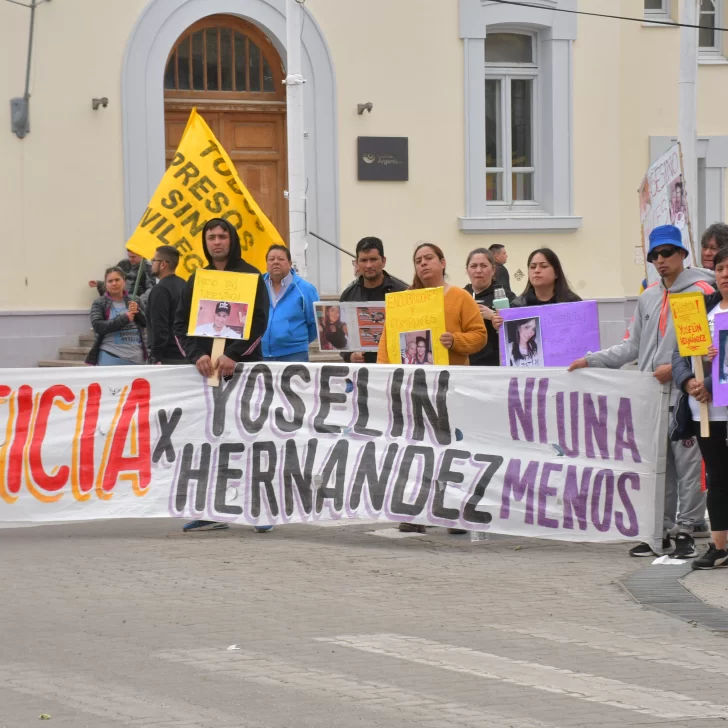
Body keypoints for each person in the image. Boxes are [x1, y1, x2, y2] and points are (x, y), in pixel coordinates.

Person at [569, 225, 713, 558]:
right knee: (658, 464)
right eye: (655, 256)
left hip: (686, 393)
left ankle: (687, 529)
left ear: (681, 254)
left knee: (689, 463)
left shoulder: (703, 290)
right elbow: (633, 345)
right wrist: (591, 360)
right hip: (651, 394)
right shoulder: (648, 295)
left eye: (667, 253)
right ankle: (659, 530)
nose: (660, 261)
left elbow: (707, 344)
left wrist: (682, 371)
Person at [377, 242, 486, 535]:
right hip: (415, 389)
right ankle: (416, 512)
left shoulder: (460, 297)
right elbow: (387, 344)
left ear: (442, 262)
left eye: (428, 259)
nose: (423, 264)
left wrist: (456, 341)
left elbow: (480, 336)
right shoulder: (405, 301)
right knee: (418, 451)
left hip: (451, 387)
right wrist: (389, 377)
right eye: (418, 260)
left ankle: (455, 512)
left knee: (452, 450)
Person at [174, 217, 270, 534]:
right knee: (212, 441)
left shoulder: (251, 277)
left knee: (251, 440)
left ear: (232, 240)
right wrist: (196, 355)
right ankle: (213, 510)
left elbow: (258, 325)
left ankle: (261, 509)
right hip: (207, 375)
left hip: (244, 371)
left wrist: (234, 354)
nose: (217, 242)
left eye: (222, 236)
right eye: (211, 237)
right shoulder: (196, 279)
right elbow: (180, 327)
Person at [672, 246, 728, 568]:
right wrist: (687, 383)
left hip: (718, 404)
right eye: (720, 268)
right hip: (706, 415)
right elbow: (681, 353)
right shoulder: (699, 310)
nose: (725, 274)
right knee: (718, 478)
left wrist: (707, 384)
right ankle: (719, 547)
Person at [340, 237, 408, 363]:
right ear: (357, 263)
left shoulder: (401, 293)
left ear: (383, 261)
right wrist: (349, 356)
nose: (369, 265)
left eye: (373, 259)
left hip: (394, 369)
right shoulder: (348, 295)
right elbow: (343, 336)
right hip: (360, 373)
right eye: (363, 260)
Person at [262, 244, 319, 362]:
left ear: (290, 263)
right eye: (271, 259)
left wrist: (295, 340)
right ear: (266, 264)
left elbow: (315, 323)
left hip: (294, 354)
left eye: (281, 259)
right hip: (261, 353)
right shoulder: (258, 286)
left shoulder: (305, 289)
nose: (276, 262)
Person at [86, 267, 147, 366]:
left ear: (124, 281)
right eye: (110, 281)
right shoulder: (100, 303)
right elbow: (98, 326)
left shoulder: (135, 299)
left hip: (137, 358)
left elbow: (147, 323)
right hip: (110, 356)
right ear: (105, 284)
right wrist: (124, 318)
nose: (114, 283)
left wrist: (138, 312)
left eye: (117, 279)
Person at [464, 248, 515, 366]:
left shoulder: (507, 296)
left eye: (483, 265)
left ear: (493, 270)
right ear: (467, 270)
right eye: (473, 266)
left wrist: (492, 316)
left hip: (497, 364)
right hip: (467, 365)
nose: (478, 270)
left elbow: (517, 331)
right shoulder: (461, 296)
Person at [146, 245, 186, 364]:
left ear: (163, 264)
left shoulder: (160, 290)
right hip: (185, 351)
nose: (151, 264)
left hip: (167, 357)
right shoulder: (184, 285)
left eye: (154, 260)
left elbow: (159, 326)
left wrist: (155, 356)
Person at [512, 248, 581, 307]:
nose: (536, 270)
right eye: (533, 267)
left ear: (556, 273)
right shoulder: (518, 305)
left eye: (544, 266)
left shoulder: (573, 303)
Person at [90, 251, 155, 301]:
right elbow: (114, 277)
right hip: (119, 300)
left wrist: (138, 301)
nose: (130, 259)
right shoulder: (123, 263)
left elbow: (151, 289)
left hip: (136, 302)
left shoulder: (148, 267)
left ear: (141, 255)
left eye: (133, 257)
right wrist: (99, 283)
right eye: (129, 256)